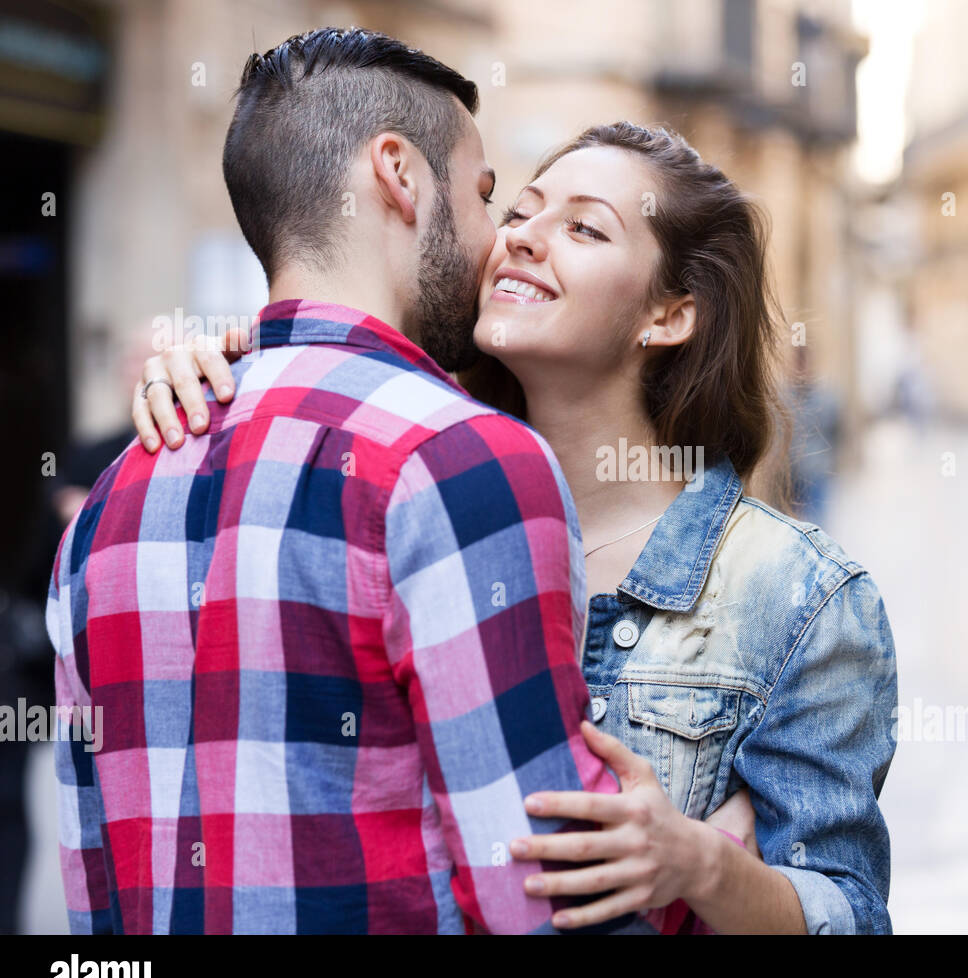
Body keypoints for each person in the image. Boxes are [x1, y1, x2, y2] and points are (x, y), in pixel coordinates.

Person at [138, 120, 900, 933]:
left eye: (582, 227)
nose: (523, 241)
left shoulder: (797, 595)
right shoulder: (410, 505)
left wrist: (701, 864)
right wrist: (237, 376)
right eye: (518, 212)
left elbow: (847, 910)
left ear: (670, 315)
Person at [45, 27, 703, 935]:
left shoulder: (109, 503)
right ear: (399, 175)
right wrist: (726, 871)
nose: (497, 246)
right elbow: (540, 894)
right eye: (484, 197)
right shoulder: (463, 460)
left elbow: (91, 890)